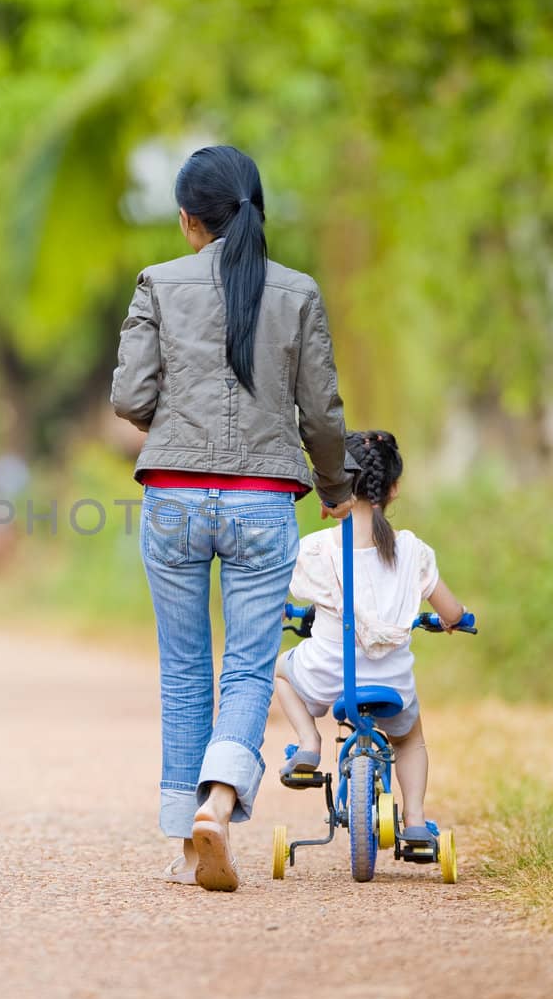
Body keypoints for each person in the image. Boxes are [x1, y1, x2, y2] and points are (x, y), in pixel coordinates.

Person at [110, 144, 354, 892]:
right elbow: (321, 412)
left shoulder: (158, 282)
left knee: (184, 670)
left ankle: (190, 839)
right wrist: (335, 485)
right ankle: (219, 803)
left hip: (174, 498)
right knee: (247, 666)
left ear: (189, 220)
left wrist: (175, 420)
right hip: (263, 499)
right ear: (256, 212)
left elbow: (129, 396)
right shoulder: (300, 291)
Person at [274, 430, 467, 844]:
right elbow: (450, 611)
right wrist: (458, 619)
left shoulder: (317, 550)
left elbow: (285, 594)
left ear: (336, 486)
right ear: (393, 488)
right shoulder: (413, 551)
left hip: (328, 674)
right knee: (410, 739)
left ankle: (308, 741)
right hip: (391, 684)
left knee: (279, 672)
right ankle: (414, 819)